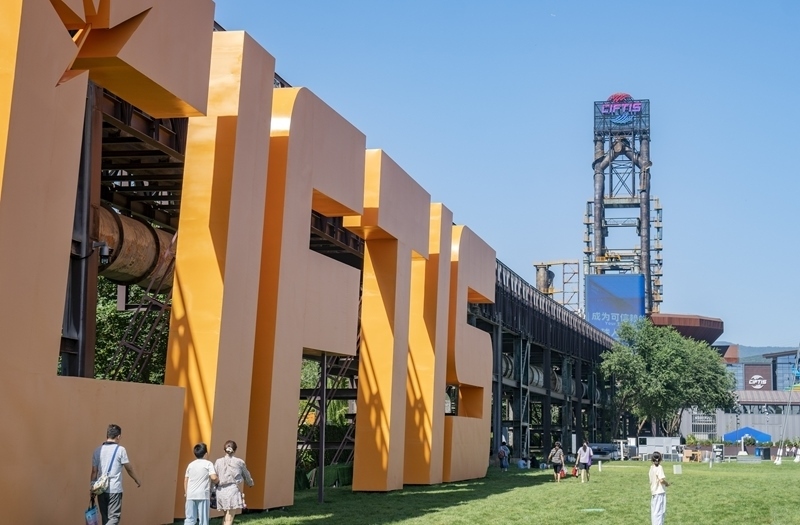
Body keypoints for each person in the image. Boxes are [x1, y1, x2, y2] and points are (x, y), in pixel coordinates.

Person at [90, 423, 141, 525]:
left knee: (105, 518)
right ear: (118, 436)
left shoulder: (97, 451)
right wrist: (137, 479)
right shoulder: (121, 450)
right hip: (114, 489)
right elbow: (129, 468)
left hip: (100, 489)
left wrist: (92, 486)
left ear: (107, 435)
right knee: (114, 518)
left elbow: (94, 471)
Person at [214, 440, 255, 525]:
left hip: (220, 491)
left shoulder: (218, 461)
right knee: (229, 519)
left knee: (226, 517)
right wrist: (250, 483)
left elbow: (214, 475)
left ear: (224, 450)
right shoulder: (239, 462)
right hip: (232, 491)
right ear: (235, 450)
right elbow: (246, 475)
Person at [185, 442, 219, 525]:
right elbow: (214, 477)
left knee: (190, 519)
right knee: (203, 519)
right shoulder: (208, 464)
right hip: (203, 495)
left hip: (190, 494)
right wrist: (218, 481)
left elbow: (186, 480)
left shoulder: (190, 465)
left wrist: (186, 493)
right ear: (206, 454)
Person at [649, 451, 670, 525]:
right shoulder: (659, 467)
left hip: (654, 492)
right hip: (659, 492)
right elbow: (661, 480)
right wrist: (667, 484)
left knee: (655, 513)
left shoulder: (651, 467)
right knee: (660, 513)